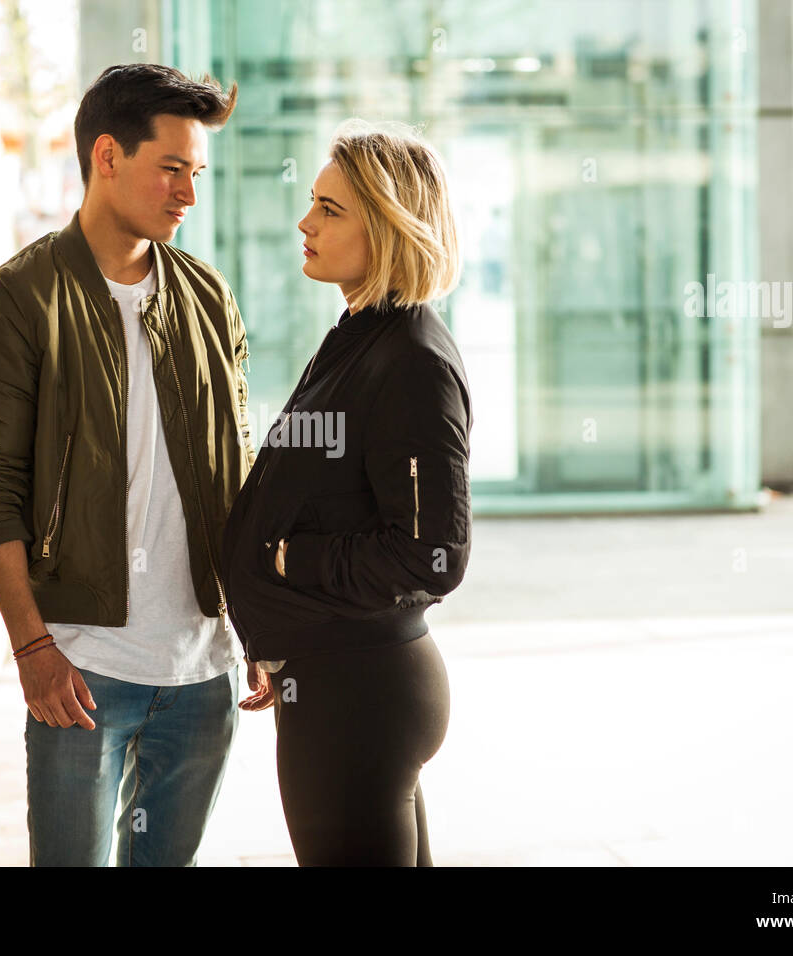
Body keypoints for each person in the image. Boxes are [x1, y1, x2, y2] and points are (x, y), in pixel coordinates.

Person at [0, 64, 256, 866]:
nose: (189, 193)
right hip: (81, 672)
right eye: (172, 168)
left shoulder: (209, 298)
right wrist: (33, 651)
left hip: (202, 671)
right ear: (108, 157)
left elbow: (239, 473)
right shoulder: (19, 298)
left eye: (197, 172)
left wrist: (259, 620)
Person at [220, 122, 473, 866]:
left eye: (331, 209)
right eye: (313, 203)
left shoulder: (411, 361)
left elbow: (431, 555)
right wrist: (273, 632)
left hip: (358, 696)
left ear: (390, 225)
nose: (306, 223)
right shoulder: (360, 335)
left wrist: (287, 566)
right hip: (336, 682)